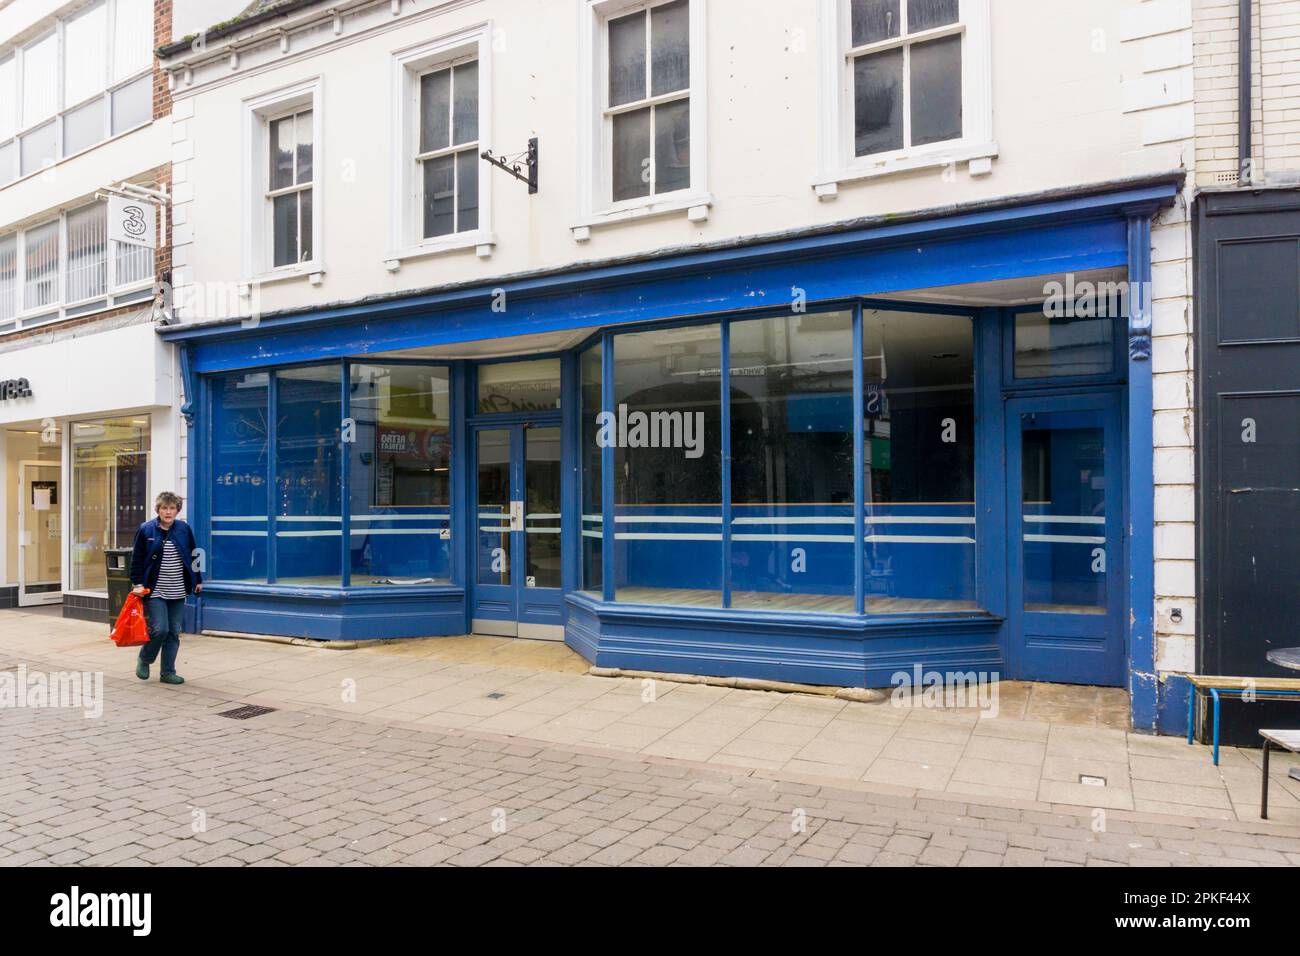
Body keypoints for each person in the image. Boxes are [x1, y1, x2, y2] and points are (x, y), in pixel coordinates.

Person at [129, 491, 203, 685]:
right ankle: (145, 658)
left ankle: (168, 672)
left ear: (177, 510)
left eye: (172, 508)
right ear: (158, 510)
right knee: (160, 629)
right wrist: (137, 583)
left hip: (178, 588)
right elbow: (136, 559)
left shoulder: (183, 529)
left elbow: (195, 554)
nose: (168, 512)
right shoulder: (146, 529)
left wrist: (198, 579)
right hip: (154, 589)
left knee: (173, 632)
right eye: (164, 508)